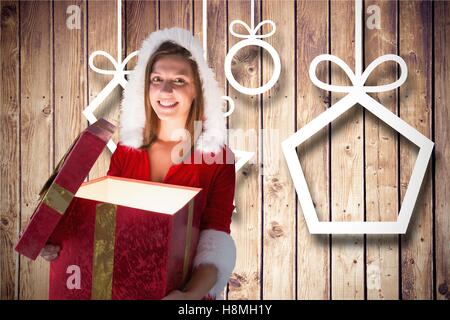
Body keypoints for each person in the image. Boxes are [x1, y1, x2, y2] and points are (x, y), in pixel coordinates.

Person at [41, 27, 237, 300]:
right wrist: (57, 242)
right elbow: (107, 221)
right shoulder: (126, 151)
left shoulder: (217, 158)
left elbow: (215, 240)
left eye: (179, 80)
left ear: (198, 91)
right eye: (157, 79)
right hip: (124, 289)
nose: (165, 90)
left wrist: (188, 296)